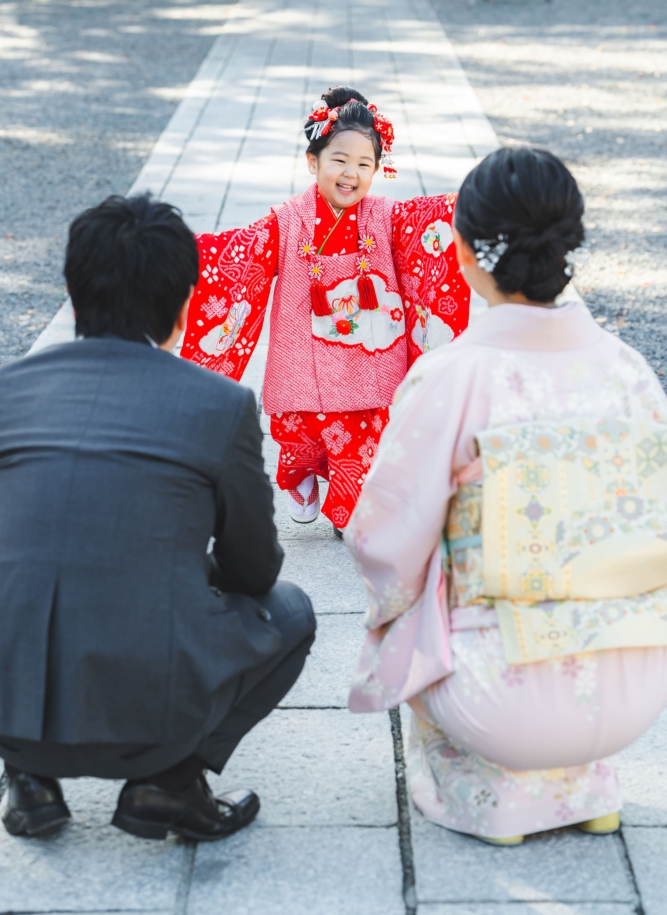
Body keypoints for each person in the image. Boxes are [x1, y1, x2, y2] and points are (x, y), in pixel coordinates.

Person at [345, 146, 667, 845]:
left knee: (416, 561)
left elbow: (381, 536)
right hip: (637, 678)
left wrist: (395, 607)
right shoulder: (630, 373)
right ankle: (585, 786)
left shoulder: (452, 378)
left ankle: (496, 797)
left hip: (497, 696)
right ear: (568, 248)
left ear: (461, 250)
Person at [0, 194, 316, 841]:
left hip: (10, 712)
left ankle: (27, 779)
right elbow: (255, 567)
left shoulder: (8, 392)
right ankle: (168, 784)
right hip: (148, 725)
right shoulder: (218, 404)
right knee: (289, 612)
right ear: (184, 304)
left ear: (70, 288)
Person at [179, 86, 470, 534]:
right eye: (339, 160)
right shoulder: (287, 220)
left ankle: (349, 504)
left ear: (378, 168)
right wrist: (179, 250)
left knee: (361, 444)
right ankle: (302, 480)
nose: (351, 173)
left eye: (364, 164)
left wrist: (472, 206)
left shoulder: (386, 217)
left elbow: (431, 222)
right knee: (299, 439)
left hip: (368, 361)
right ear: (313, 161)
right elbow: (238, 255)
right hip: (304, 361)